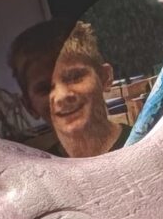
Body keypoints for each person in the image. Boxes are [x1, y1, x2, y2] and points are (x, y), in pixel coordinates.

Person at [7, 18, 127, 157]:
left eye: (75, 77)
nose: (62, 95)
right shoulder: (41, 172)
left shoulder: (145, 143)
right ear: (30, 106)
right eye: (44, 89)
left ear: (104, 77)